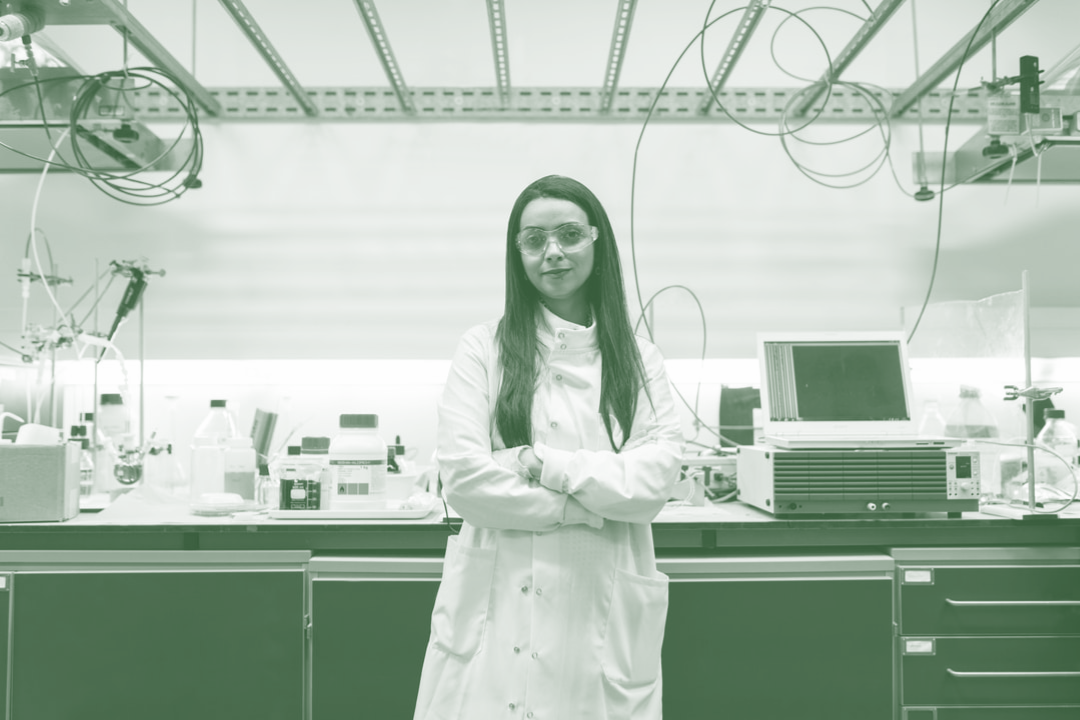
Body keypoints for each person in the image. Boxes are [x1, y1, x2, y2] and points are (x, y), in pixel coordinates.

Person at [413, 175, 684, 719]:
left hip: (600, 613)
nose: (552, 252)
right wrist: (586, 505)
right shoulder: (483, 348)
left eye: (568, 235)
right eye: (533, 240)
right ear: (517, 254)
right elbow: (465, 481)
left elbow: (652, 484)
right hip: (496, 608)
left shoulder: (639, 359)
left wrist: (541, 463)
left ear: (596, 240)